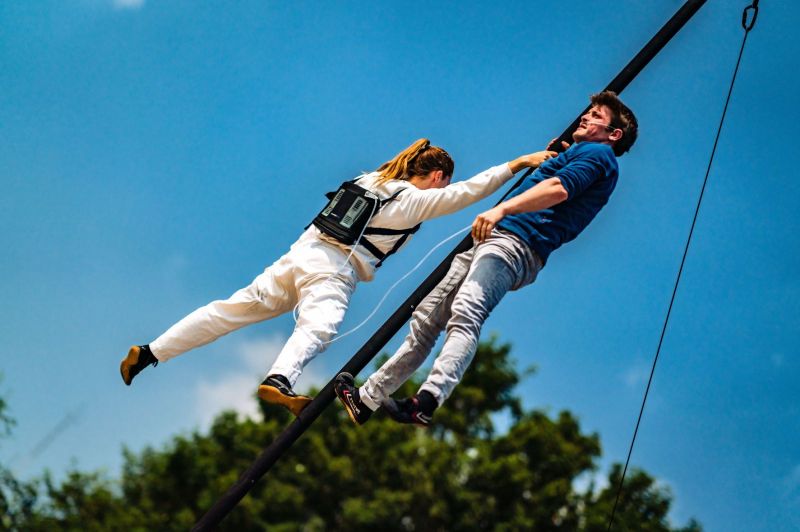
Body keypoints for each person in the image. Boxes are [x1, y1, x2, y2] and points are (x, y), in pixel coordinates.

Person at [120, 138, 557, 416]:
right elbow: (467, 194)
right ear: (437, 175)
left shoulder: (369, 179)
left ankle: (150, 351)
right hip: (333, 268)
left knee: (227, 312)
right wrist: (517, 163)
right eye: (443, 182)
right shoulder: (410, 199)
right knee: (320, 325)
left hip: (296, 256)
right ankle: (280, 380)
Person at [334, 91, 638, 427]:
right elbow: (558, 173)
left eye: (596, 116)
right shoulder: (585, 152)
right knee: (426, 318)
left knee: (466, 312)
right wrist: (560, 155)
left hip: (516, 242)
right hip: (491, 238)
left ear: (614, 135)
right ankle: (367, 399)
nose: (585, 116)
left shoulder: (599, 155)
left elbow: (559, 189)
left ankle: (429, 398)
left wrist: (503, 208)